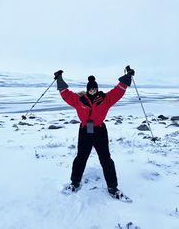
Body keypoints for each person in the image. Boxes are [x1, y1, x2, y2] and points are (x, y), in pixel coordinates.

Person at [54, 66, 135, 198]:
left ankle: (112, 187)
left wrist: (127, 78)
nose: (93, 91)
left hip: (99, 131)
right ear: (87, 90)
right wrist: (59, 79)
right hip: (85, 131)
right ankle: (74, 183)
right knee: (81, 158)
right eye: (91, 89)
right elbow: (66, 94)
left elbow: (117, 92)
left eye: (95, 89)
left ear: (97, 89)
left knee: (106, 159)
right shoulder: (79, 100)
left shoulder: (105, 99)